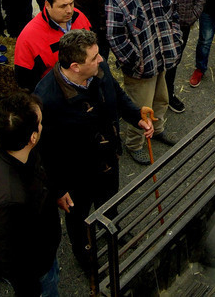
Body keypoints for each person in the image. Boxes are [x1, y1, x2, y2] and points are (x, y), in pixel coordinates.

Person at [35, 29, 153, 281]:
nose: (101, 59)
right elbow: (43, 151)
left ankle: (113, 232)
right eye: (94, 57)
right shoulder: (46, 100)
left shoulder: (99, 69)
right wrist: (57, 189)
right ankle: (85, 255)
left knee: (110, 201)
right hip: (76, 176)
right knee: (79, 221)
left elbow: (116, 94)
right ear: (75, 66)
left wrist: (135, 116)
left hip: (108, 159)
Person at [0, 92, 62, 296]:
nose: (43, 124)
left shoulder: (8, 140)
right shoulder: (6, 200)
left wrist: (57, 190)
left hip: (43, 249)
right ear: (33, 137)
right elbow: (7, 257)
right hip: (37, 270)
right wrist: (31, 289)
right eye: (40, 122)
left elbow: (40, 168)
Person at [106, 0, 182, 164]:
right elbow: (115, 37)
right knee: (140, 110)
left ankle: (157, 129)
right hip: (139, 69)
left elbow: (174, 15)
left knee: (162, 99)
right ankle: (134, 144)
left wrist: (175, 42)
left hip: (162, 58)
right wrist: (135, 61)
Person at [13, 0, 93, 90]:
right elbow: (25, 83)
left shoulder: (80, 17)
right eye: (63, 6)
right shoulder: (28, 38)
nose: (70, 10)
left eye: (71, 3)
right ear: (47, 5)